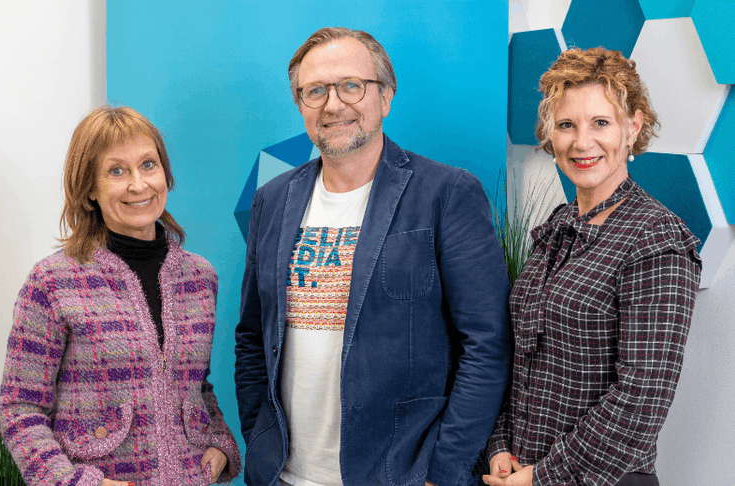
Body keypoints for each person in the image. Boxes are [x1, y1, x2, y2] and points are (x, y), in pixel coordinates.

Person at [235, 27, 511, 486]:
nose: (333, 104)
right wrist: (259, 438)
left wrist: (442, 472)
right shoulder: (273, 199)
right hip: (285, 475)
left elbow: (487, 343)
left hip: (401, 474)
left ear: (385, 96)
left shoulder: (446, 193)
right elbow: (252, 336)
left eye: (351, 85)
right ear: (301, 104)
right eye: (315, 91)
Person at [482, 47, 702, 486]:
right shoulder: (558, 225)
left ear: (632, 126)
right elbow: (522, 358)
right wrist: (500, 445)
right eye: (567, 125)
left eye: (601, 122)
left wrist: (543, 477)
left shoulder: (655, 237)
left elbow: (642, 397)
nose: (582, 142)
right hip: (522, 470)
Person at [0, 106, 241, 486]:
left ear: (165, 174)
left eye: (148, 165)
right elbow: (20, 408)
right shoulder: (52, 282)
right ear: (89, 189)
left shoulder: (199, 276)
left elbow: (196, 386)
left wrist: (219, 442)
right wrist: (73, 482)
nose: (139, 184)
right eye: (116, 171)